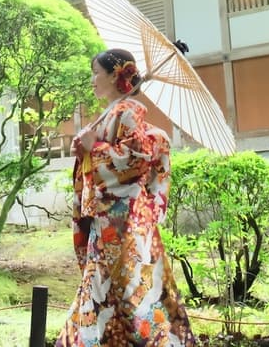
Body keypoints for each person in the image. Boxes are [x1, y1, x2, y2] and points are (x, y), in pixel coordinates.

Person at [54, 48, 197, 347]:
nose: (92, 80)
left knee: (129, 290)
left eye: (96, 72)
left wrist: (96, 149)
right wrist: (85, 152)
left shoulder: (127, 110)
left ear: (115, 75)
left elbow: (136, 162)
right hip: (111, 220)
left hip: (122, 221)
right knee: (112, 289)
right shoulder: (114, 111)